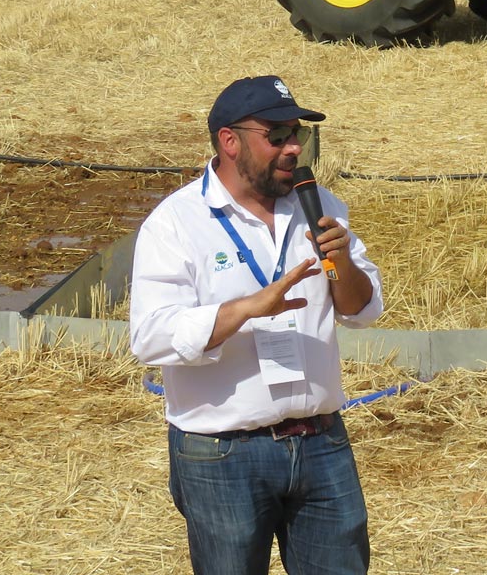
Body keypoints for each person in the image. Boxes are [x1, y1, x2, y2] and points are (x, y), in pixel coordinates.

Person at [130, 75, 383, 575]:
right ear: (230, 140)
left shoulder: (322, 205)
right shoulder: (177, 222)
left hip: (321, 444)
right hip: (223, 455)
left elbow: (362, 309)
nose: (293, 148)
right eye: (278, 135)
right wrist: (246, 309)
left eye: (298, 134)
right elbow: (151, 337)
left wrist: (341, 262)